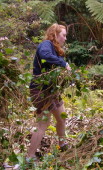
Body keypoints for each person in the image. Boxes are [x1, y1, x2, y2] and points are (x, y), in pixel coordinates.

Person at [27, 23, 71, 159]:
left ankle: (62, 145)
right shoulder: (46, 45)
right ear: (55, 35)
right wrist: (64, 64)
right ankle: (29, 157)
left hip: (52, 91)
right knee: (43, 123)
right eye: (63, 35)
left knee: (62, 117)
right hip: (40, 90)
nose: (65, 38)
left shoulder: (56, 50)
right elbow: (44, 55)